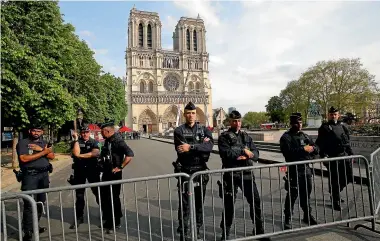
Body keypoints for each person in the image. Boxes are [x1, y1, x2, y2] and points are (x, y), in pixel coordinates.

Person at [217, 110, 270, 241]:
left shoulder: (246, 136)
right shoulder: (224, 137)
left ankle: (258, 229)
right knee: (229, 205)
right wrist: (243, 151)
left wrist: (249, 154)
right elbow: (226, 153)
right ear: (230, 122)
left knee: (255, 201)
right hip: (231, 174)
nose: (238, 123)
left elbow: (256, 152)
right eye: (235, 121)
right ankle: (226, 232)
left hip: (246, 173)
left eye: (239, 121)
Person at [173, 101, 214, 241]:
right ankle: (184, 231)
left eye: (193, 113)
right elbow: (181, 151)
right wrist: (200, 146)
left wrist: (190, 147)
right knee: (184, 203)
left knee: (198, 202)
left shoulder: (205, 130)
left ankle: (197, 228)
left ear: (196, 114)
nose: (191, 115)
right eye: (188, 113)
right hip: (185, 171)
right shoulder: (178, 131)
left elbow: (209, 148)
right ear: (184, 114)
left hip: (200, 172)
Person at [16, 123, 55, 241]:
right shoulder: (23, 143)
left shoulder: (43, 142)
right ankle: (27, 231)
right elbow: (23, 158)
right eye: (34, 131)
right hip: (30, 176)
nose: (36, 133)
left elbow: (52, 156)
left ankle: (34, 226)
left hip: (43, 175)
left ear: (42, 132)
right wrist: (43, 152)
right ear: (30, 131)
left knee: (40, 203)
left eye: (39, 131)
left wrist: (42, 149)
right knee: (29, 203)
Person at [279, 113, 318, 230]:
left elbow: (316, 148)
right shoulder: (286, 137)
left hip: (306, 170)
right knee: (292, 195)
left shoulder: (305, 136)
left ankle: (307, 215)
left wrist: (313, 149)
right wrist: (303, 149)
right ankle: (287, 218)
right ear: (291, 124)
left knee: (306, 194)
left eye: (300, 122)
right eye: (297, 123)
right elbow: (288, 153)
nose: (299, 125)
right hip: (294, 171)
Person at [98, 120, 134, 234]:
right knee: (106, 197)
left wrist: (121, 167)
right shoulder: (108, 141)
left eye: (102, 132)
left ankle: (115, 222)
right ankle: (109, 219)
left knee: (113, 198)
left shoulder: (118, 141)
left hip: (114, 174)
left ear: (107, 131)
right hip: (106, 173)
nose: (101, 134)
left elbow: (130, 154)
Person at [316, 106, 354, 211]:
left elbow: (347, 141)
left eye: (335, 114)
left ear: (339, 115)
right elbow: (320, 142)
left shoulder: (343, 126)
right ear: (328, 115)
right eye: (331, 114)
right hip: (332, 157)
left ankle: (335, 192)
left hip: (344, 156)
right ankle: (335, 200)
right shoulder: (324, 127)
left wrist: (351, 154)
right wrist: (323, 155)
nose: (333, 116)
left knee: (348, 177)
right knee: (335, 180)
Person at [69, 125, 101, 229]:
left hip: (92, 171)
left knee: (97, 193)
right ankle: (79, 217)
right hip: (79, 171)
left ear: (89, 132)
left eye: (86, 132)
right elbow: (75, 152)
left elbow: (95, 153)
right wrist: (76, 140)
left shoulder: (94, 142)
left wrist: (80, 156)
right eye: (83, 132)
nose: (85, 134)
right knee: (79, 196)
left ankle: (104, 213)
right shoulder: (76, 142)